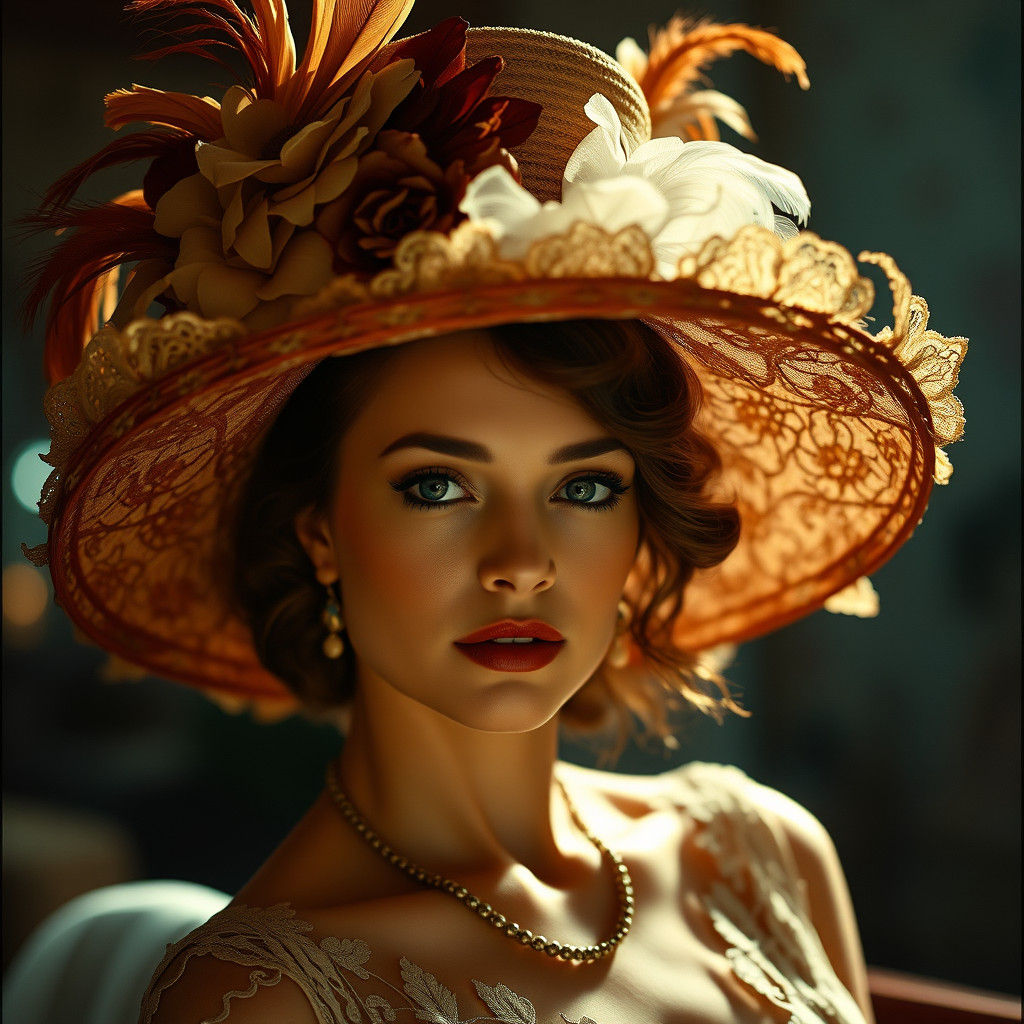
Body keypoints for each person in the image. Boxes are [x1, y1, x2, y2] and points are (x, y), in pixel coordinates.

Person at [21, 0, 966, 1021]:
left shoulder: (760, 851)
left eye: (585, 486)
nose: (522, 561)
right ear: (318, 530)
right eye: (437, 485)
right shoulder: (257, 997)